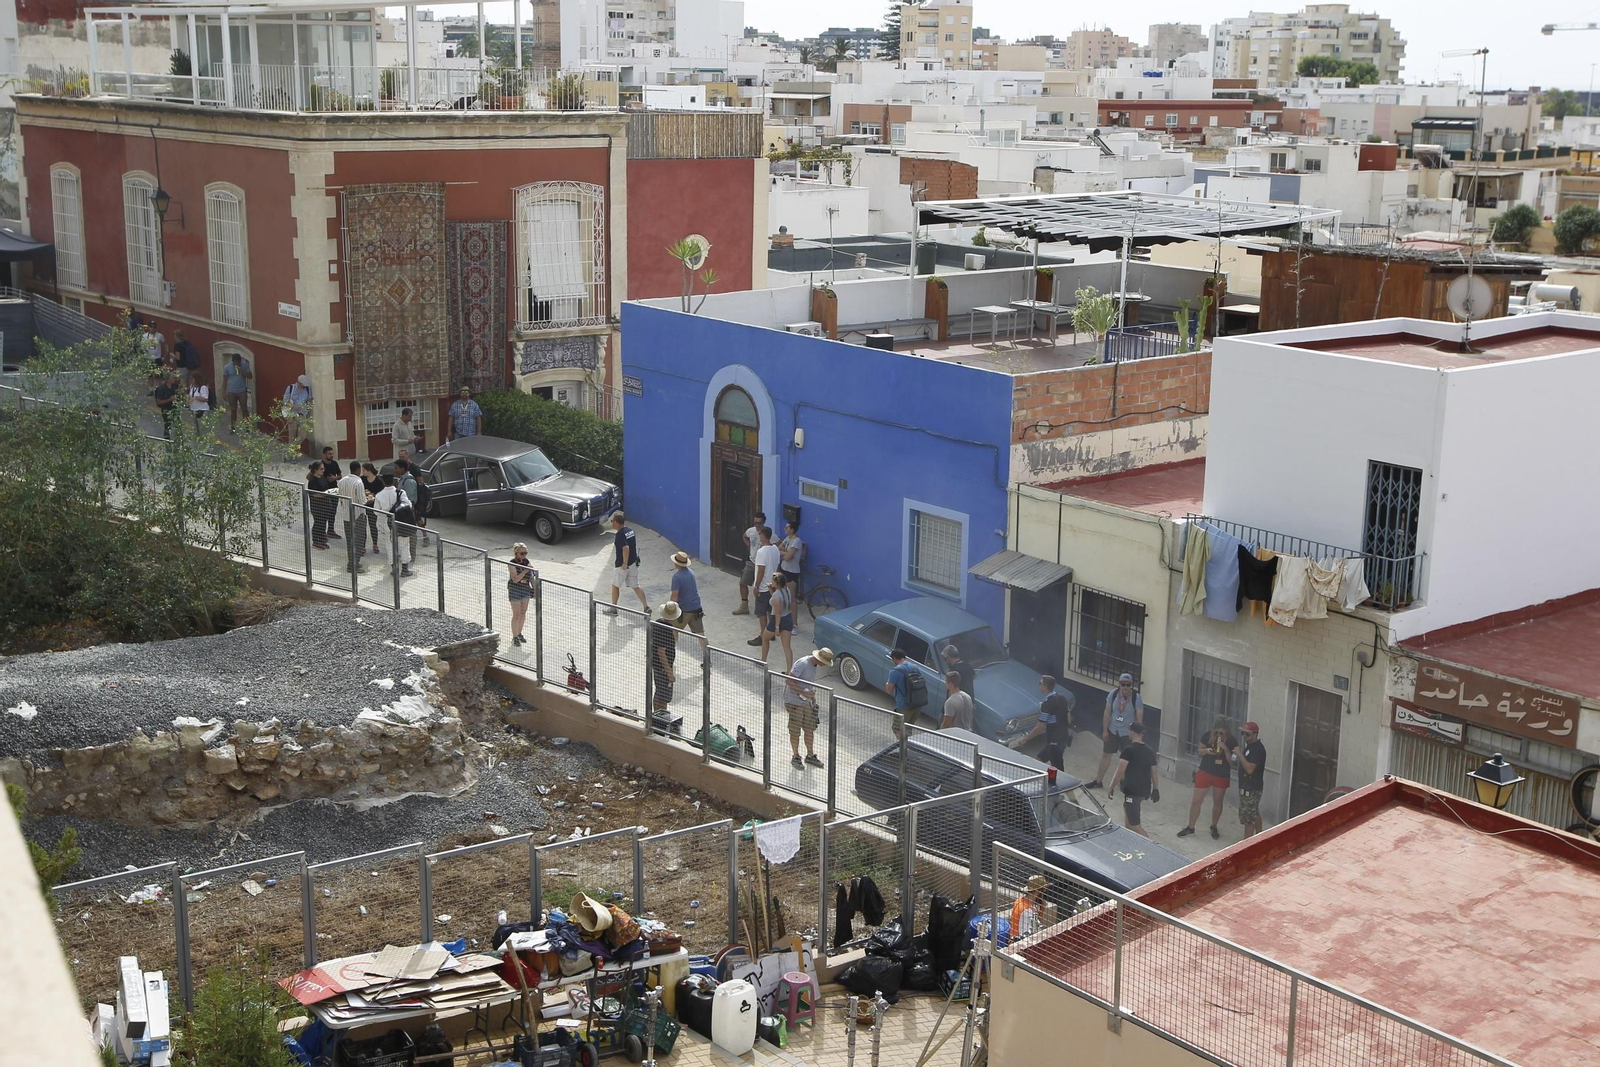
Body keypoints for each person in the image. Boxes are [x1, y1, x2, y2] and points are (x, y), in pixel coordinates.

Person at [1179, 718, 1237, 840]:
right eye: (1217, 732)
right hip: (1205, 771)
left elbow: (1232, 761)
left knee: (1218, 802)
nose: (1219, 734)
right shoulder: (1207, 735)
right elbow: (1199, 751)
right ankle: (1191, 827)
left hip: (1221, 774)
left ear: (1226, 730)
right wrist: (1206, 751)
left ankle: (1214, 826)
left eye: (1222, 732)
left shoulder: (1232, 741)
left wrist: (1225, 748)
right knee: (1196, 801)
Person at [1089, 673, 1144, 789]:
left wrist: (1138, 737)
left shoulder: (1136, 698)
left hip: (1128, 733)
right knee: (1106, 755)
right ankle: (1098, 781)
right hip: (1113, 729)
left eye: (1127, 685)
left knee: (1128, 759)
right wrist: (1105, 730)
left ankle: (1126, 783)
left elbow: (1139, 718)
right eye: (1122, 684)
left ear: (1131, 685)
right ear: (1119, 684)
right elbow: (1107, 712)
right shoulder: (1113, 694)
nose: (1125, 687)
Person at [783, 647, 833, 770]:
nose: (824, 665)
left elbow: (808, 683)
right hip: (794, 702)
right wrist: (803, 693)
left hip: (806, 702)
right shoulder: (803, 664)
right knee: (795, 731)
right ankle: (795, 756)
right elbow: (789, 680)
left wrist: (812, 699)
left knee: (809, 729)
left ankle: (810, 755)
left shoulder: (813, 665)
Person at [1107, 722, 1159, 838]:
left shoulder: (1128, 750)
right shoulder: (1149, 750)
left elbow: (1120, 772)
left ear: (1133, 732)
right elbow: (1154, 772)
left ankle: (1150, 845)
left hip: (1133, 791)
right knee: (1128, 822)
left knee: (1134, 825)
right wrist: (1156, 789)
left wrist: (1111, 787)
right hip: (1143, 790)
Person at [605, 510, 647, 615]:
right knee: (636, 586)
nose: (611, 523)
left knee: (615, 585)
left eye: (612, 521)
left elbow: (626, 548)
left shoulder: (620, 535)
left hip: (622, 566)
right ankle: (646, 606)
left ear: (616, 522)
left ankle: (613, 609)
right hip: (633, 563)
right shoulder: (630, 531)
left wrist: (624, 563)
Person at [372, 473, 414, 577]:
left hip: (387, 524)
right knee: (404, 545)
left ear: (383, 482)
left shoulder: (379, 496)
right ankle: (405, 569)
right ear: (393, 481)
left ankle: (394, 569)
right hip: (401, 523)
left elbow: (376, 512)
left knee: (390, 546)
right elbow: (408, 505)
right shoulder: (401, 492)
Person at [649, 602, 684, 720]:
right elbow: (661, 651)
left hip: (656, 664)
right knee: (664, 696)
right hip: (663, 667)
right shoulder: (666, 630)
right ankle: (661, 719)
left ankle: (656, 716)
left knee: (658, 692)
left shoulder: (657, 623)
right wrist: (669, 672)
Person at [747, 526, 780, 646]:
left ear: (764, 536)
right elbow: (776, 566)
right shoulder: (775, 549)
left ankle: (762, 636)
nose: (759, 536)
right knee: (770, 612)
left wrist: (756, 586)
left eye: (760, 534)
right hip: (773, 586)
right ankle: (770, 633)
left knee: (761, 613)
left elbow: (761, 570)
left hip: (763, 587)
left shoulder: (761, 552)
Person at [1236, 721, 1267, 838]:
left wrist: (1240, 754)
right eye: (1243, 734)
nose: (1244, 737)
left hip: (1252, 787)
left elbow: (1250, 769)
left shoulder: (1258, 749)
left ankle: (1246, 842)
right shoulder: (1250, 747)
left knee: (1248, 817)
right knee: (1254, 812)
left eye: (1247, 734)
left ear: (1255, 734)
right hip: (1246, 786)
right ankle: (1259, 836)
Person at [336, 460, 368, 572]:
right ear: (357, 469)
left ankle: (352, 563)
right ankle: (353, 564)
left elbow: (340, 498)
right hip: (358, 515)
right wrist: (371, 499)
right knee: (359, 540)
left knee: (350, 541)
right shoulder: (358, 483)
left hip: (346, 515)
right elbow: (362, 501)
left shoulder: (342, 481)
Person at [732, 511, 766, 616]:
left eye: (759, 523)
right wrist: (749, 545)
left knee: (760, 586)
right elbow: (744, 536)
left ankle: (762, 609)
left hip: (762, 564)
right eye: (755, 523)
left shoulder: (767, 533)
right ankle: (744, 605)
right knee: (743, 582)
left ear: (763, 522)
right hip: (752, 561)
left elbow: (777, 543)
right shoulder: (750, 531)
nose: (757, 525)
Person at [760, 572, 795, 665]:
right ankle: (789, 671)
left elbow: (778, 612)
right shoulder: (787, 590)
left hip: (778, 620)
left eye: (773, 581)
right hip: (788, 618)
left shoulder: (777, 595)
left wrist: (777, 627)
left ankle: (763, 660)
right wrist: (772, 591)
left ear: (778, 583)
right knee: (787, 647)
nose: (771, 582)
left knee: (765, 638)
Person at [393, 457, 427, 553]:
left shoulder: (409, 481)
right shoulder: (402, 479)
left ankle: (411, 553)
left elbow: (410, 499)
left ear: (403, 469)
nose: (395, 470)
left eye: (396, 468)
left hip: (408, 511)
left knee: (411, 533)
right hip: (403, 510)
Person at [507, 542, 537, 647]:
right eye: (522, 553)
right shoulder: (512, 563)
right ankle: (514, 636)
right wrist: (525, 571)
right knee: (516, 614)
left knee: (523, 612)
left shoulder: (526, 561)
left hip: (525, 588)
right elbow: (515, 579)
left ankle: (519, 633)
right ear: (516, 553)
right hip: (515, 588)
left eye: (525, 553)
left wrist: (534, 589)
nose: (524, 555)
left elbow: (532, 577)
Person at [668, 551, 704, 636]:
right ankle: (706, 649)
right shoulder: (691, 573)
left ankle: (672, 648)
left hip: (684, 610)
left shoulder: (676, 577)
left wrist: (669, 610)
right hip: (696, 608)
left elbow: (674, 598)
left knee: (673, 630)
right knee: (701, 635)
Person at [885, 648, 916, 735]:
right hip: (916, 705)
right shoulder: (914, 667)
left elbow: (888, 690)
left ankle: (904, 747)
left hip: (904, 706)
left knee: (897, 729)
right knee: (908, 729)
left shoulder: (895, 671)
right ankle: (908, 745)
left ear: (894, 658)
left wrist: (887, 682)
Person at [1009, 874, 1049, 940]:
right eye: (1044, 890)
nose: (1044, 893)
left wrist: (1041, 910)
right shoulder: (1028, 911)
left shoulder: (1019, 900)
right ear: (1038, 891)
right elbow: (1029, 936)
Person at [221, 352, 252, 431]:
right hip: (231, 391)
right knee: (233, 409)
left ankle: (247, 426)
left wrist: (241, 370)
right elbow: (224, 380)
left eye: (238, 362)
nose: (237, 363)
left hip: (242, 391)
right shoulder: (227, 367)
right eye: (235, 362)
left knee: (244, 409)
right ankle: (233, 427)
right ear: (233, 361)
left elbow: (250, 376)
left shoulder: (244, 366)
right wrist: (223, 392)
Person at [306, 460, 333, 549]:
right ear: (315, 470)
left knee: (323, 523)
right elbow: (313, 494)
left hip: (325, 505)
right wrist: (324, 494)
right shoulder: (312, 481)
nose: (323, 470)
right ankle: (316, 541)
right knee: (318, 523)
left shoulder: (322, 477)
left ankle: (321, 539)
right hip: (317, 506)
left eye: (323, 469)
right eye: (321, 469)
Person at [359, 462, 384, 554]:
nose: (363, 472)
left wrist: (374, 496)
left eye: (364, 470)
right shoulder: (362, 480)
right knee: (362, 526)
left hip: (373, 505)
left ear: (369, 470)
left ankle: (375, 544)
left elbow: (381, 493)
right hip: (363, 504)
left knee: (373, 525)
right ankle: (362, 545)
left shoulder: (378, 481)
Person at [148, 372, 179, 439]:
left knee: (177, 424)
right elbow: (158, 402)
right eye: (172, 377)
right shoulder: (161, 389)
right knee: (167, 425)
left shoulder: (174, 387)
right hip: (166, 409)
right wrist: (170, 399)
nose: (174, 379)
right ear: (168, 379)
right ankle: (167, 440)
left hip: (175, 408)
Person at [778, 519, 805, 595]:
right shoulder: (787, 538)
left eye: (787, 528)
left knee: (790, 595)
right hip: (783, 568)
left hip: (791, 571)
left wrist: (782, 553)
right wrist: (786, 553)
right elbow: (779, 548)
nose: (785, 529)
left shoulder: (796, 541)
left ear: (792, 530)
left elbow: (788, 557)